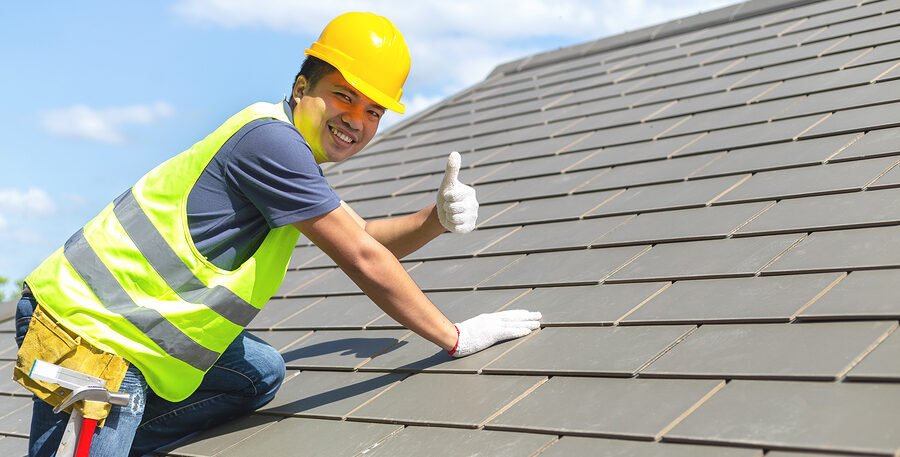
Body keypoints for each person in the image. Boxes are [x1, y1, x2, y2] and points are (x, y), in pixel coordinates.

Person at [13, 11, 541, 457]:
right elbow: (361, 256)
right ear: (301, 88)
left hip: (131, 327)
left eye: (373, 111)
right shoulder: (273, 144)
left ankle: (117, 436)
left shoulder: (285, 148)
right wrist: (454, 336)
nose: (356, 119)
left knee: (258, 373)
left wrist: (435, 220)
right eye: (344, 97)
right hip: (90, 332)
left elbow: (362, 234)